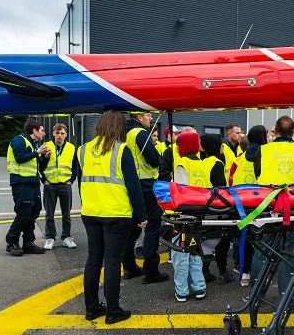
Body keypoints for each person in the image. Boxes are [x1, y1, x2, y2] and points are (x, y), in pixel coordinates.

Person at [78, 110, 147, 324]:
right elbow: (133, 187)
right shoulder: (121, 150)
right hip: (116, 214)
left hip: (90, 212)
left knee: (93, 260)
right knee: (112, 261)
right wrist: (141, 214)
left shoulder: (83, 150)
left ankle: (91, 308)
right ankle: (113, 310)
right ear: (120, 128)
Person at [248, 116, 294, 307]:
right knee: (287, 252)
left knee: (262, 250)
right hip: (291, 207)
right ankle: (286, 297)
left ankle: (254, 295)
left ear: (276, 132)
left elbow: (258, 174)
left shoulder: (264, 150)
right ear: (293, 133)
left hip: (266, 206)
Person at [121, 112, 169, 284]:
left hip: (129, 185)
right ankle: (150, 270)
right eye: (148, 115)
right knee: (152, 227)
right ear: (139, 117)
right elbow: (154, 160)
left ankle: (128, 267)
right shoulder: (140, 134)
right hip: (146, 186)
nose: (151, 118)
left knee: (132, 229)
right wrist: (160, 157)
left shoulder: (122, 133)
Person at [171, 131, 208, 302]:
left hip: (184, 216)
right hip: (200, 214)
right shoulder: (203, 164)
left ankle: (182, 291)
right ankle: (200, 287)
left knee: (180, 254)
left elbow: (179, 193)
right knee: (195, 252)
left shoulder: (182, 164)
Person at [229, 125, 268, 286]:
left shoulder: (238, 160)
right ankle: (262, 274)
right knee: (263, 239)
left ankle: (245, 273)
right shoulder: (267, 156)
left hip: (241, 204)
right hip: (262, 203)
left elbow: (230, 181)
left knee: (245, 239)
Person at [5, 119, 51, 256]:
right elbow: (19, 158)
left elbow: (37, 167)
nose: (44, 133)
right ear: (34, 131)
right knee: (24, 213)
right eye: (42, 130)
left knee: (34, 212)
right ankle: (11, 241)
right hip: (21, 183)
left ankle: (28, 242)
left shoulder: (33, 143)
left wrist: (45, 157)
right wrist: (38, 152)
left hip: (33, 183)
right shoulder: (19, 140)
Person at [200, 133, 234, 284]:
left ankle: (204, 270)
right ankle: (222, 272)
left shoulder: (203, 162)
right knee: (222, 240)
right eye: (220, 144)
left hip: (204, 207)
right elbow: (221, 190)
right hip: (217, 208)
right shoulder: (217, 163)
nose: (223, 147)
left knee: (206, 240)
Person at [40, 123, 78, 250]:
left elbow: (75, 166)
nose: (60, 136)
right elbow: (39, 165)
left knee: (66, 214)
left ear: (66, 134)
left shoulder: (72, 148)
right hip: (50, 185)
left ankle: (66, 237)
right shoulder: (46, 146)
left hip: (65, 184)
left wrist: (71, 180)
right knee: (49, 214)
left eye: (62, 133)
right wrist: (44, 180)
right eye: (57, 133)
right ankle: (50, 238)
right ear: (53, 134)